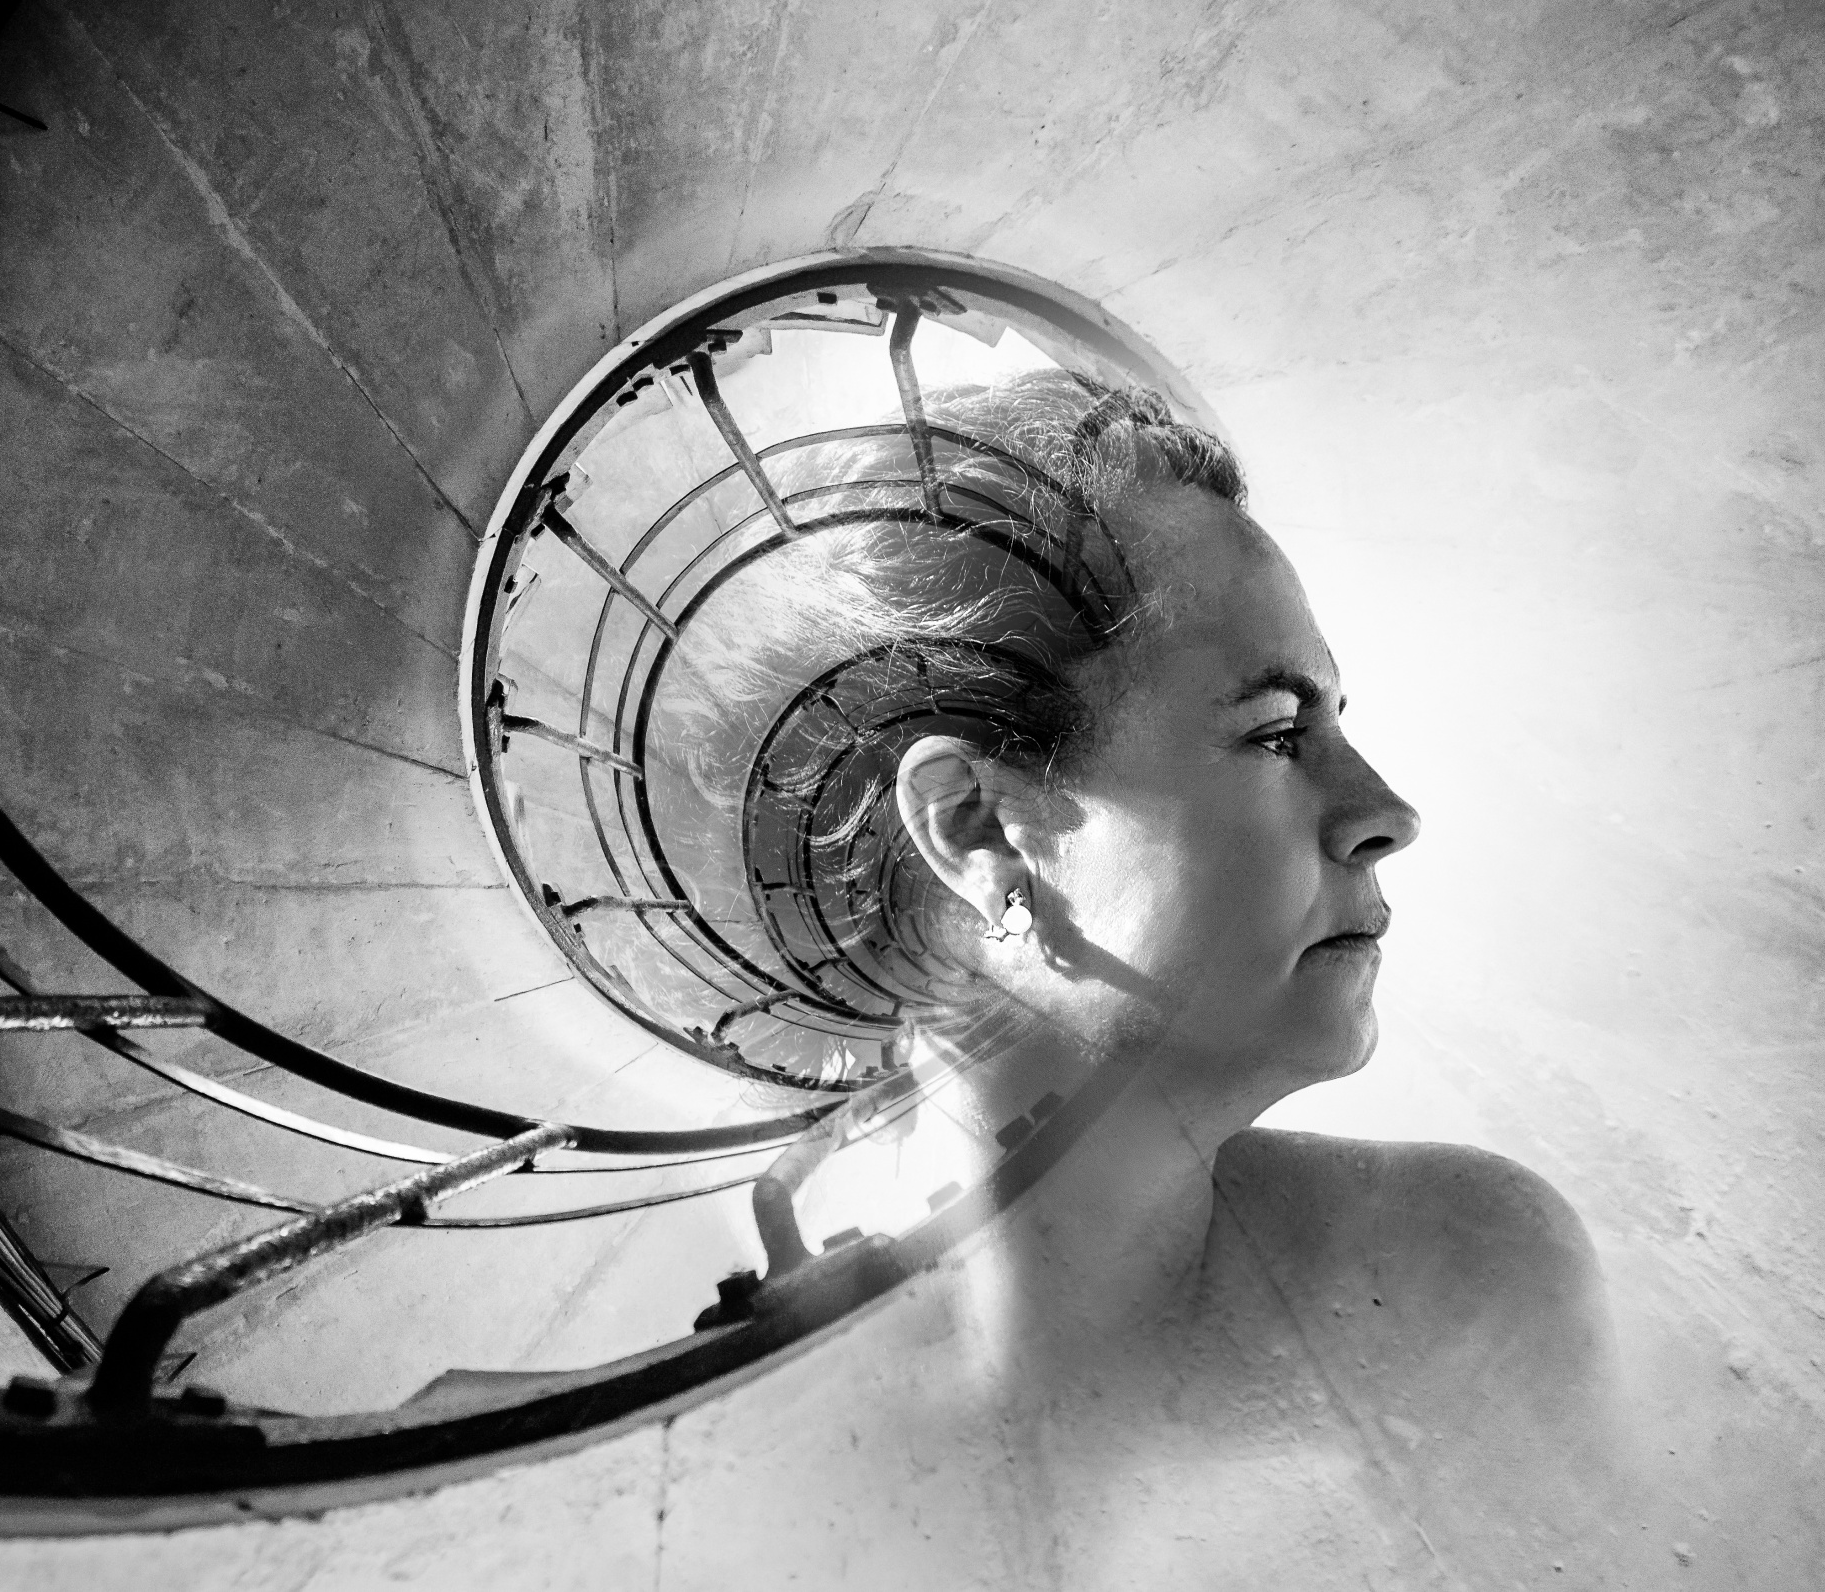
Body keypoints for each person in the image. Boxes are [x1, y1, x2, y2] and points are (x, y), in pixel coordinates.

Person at [664, 368, 1615, 1569]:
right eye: (1275, 731)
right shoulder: (730, 1504)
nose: (1386, 811)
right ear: (978, 829)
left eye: (1336, 722)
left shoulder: (1464, 1266)